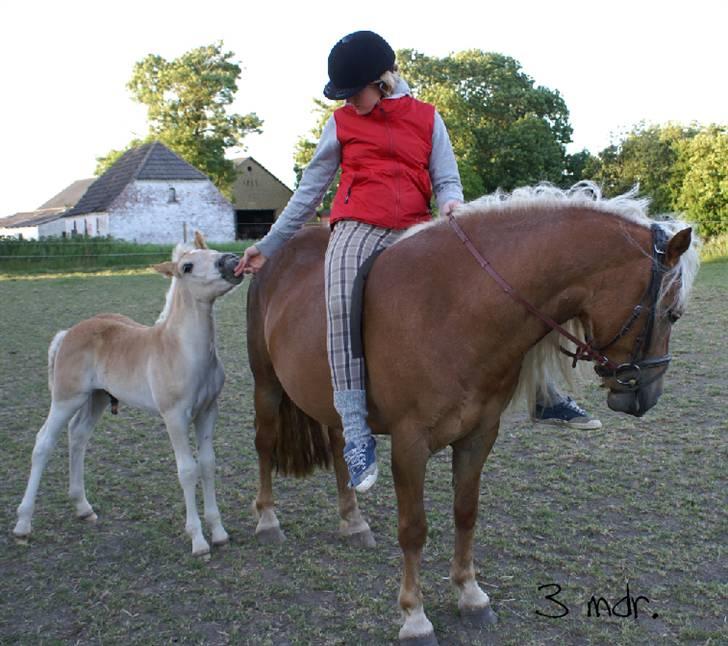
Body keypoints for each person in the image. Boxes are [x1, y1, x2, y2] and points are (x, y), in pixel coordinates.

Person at [235, 30, 600, 494]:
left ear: (383, 81)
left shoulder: (427, 118)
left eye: (356, 93)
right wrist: (268, 246)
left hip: (417, 227)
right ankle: (354, 425)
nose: (351, 102)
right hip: (356, 226)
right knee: (342, 294)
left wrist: (451, 204)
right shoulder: (342, 123)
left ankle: (545, 392)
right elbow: (309, 192)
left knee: (501, 283)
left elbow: (446, 178)